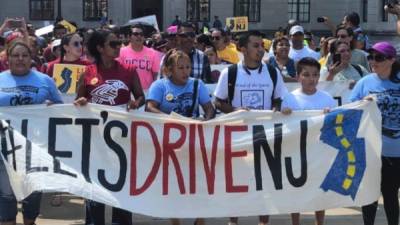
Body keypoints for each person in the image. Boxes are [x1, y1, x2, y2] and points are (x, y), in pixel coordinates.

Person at [214, 31, 287, 225]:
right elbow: (218, 102)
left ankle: (263, 221)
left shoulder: (272, 72)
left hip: (265, 134)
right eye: (255, 46)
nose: (260, 50)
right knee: (236, 180)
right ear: (243, 49)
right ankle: (234, 220)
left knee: (264, 181)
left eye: (262, 46)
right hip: (238, 135)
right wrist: (236, 110)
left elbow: (279, 99)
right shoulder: (229, 73)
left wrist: (274, 110)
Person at [74, 29, 145, 225]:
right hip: (95, 143)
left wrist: (135, 103)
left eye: (119, 43)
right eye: (113, 44)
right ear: (100, 48)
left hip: (121, 143)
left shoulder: (129, 71)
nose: (118, 47)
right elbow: (77, 102)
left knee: (121, 191)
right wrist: (80, 101)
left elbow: (141, 96)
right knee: (95, 192)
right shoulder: (87, 73)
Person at [146, 50, 214, 225]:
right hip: (168, 144)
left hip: (195, 143)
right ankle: (175, 221)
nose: (186, 71)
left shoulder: (198, 85)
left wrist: (206, 120)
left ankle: (200, 220)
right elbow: (150, 108)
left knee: (199, 183)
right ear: (169, 70)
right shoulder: (159, 86)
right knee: (173, 186)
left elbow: (209, 108)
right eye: (181, 67)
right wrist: (172, 120)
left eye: (188, 67)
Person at [0, 41, 63, 225]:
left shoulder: (45, 81)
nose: (20, 59)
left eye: (25, 55)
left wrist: (52, 108)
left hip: (35, 145)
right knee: (6, 191)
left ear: (31, 58)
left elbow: (62, 108)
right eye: (15, 55)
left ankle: (30, 221)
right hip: (4, 144)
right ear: (8, 59)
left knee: (33, 190)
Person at [281, 57, 336, 225]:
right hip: (296, 153)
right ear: (298, 77)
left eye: (315, 75)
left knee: (319, 191)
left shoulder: (327, 99)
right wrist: (285, 114)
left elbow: (336, 126)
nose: (311, 79)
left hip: (319, 153)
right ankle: (295, 222)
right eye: (306, 74)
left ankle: (319, 222)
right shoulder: (289, 99)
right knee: (295, 190)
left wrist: (330, 116)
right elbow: (282, 128)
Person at [350, 42, 400, 225]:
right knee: (369, 195)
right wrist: (363, 103)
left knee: (391, 194)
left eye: (378, 57)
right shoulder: (364, 83)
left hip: (395, 152)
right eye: (371, 57)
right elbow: (350, 110)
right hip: (369, 150)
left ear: (391, 60)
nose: (373, 61)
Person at [119, 24, 161, 90]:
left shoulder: (153, 53)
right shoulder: (121, 52)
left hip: (147, 92)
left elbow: (156, 75)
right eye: (136, 34)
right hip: (127, 91)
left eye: (141, 34)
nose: (139, 36)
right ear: (129, 37)